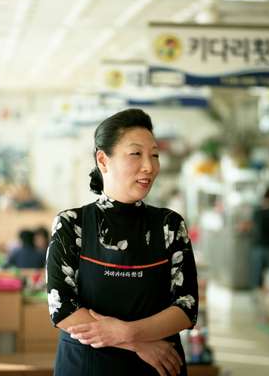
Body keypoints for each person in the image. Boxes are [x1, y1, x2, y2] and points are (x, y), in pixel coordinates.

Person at [46, 108, 198, 376]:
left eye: (154, 155)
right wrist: (138, 343)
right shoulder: (72, 224)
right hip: (87, 364)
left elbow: (186, 307)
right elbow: (63, 309)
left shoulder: (169, 225)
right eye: (136, 154)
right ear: (103, 160)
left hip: (159, 367)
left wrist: (126, 332)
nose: (149, 166)